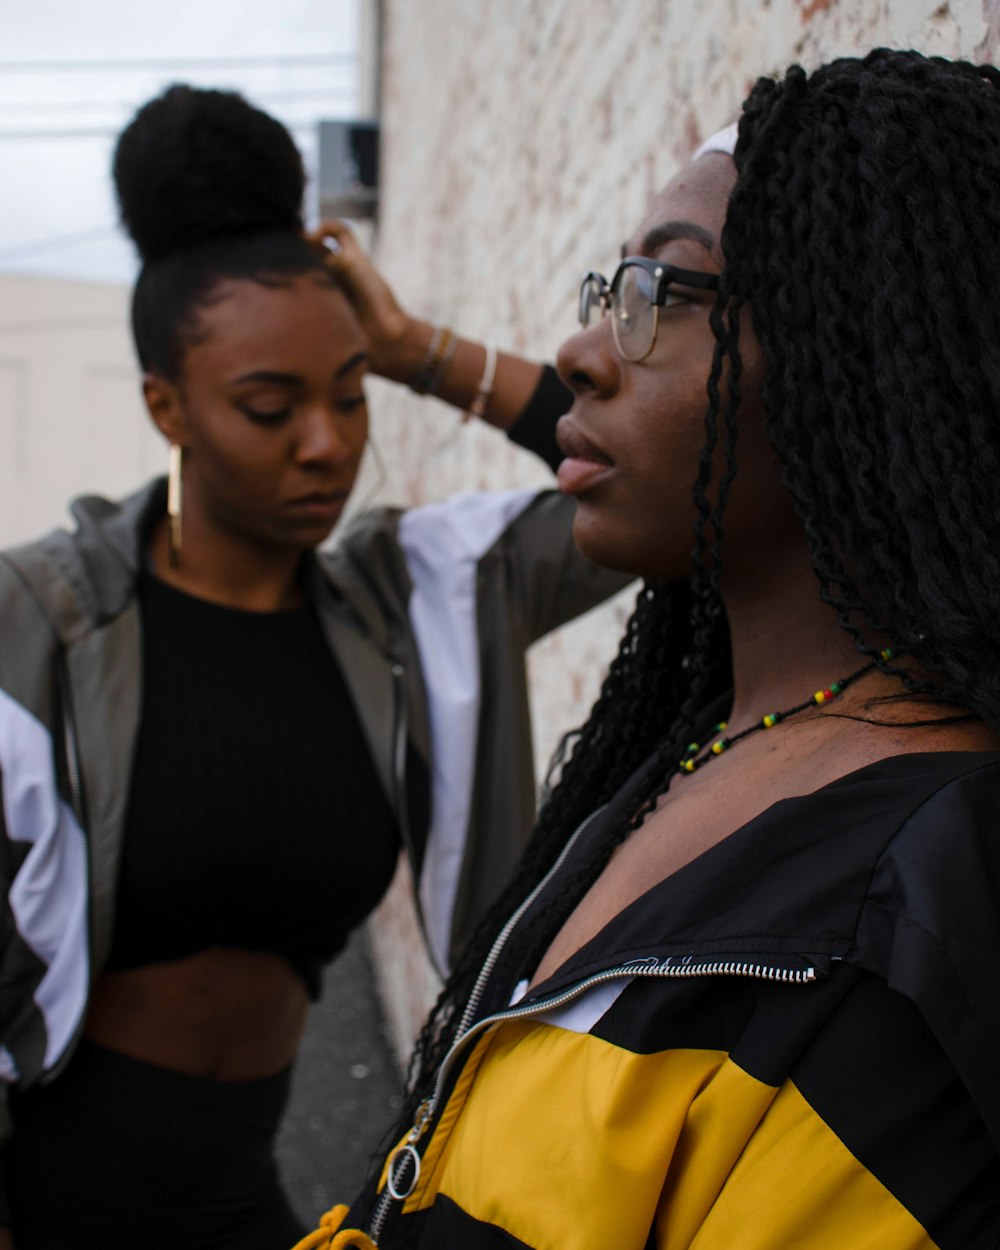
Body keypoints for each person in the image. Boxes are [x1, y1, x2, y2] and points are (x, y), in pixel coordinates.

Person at [300, 49, 1000, 1250]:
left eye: (658, 292)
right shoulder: (709, 747)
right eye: (604, 290)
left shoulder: (917, 910)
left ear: (857, 361)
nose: (584, 349)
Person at [0, 85, 627, 1250]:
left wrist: (417, 349)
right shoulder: (37, 625)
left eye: (349, 393)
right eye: (269, 404)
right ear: (164, 405)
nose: (327, 443)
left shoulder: (415, 599)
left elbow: (645, 493)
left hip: (248, 1200)